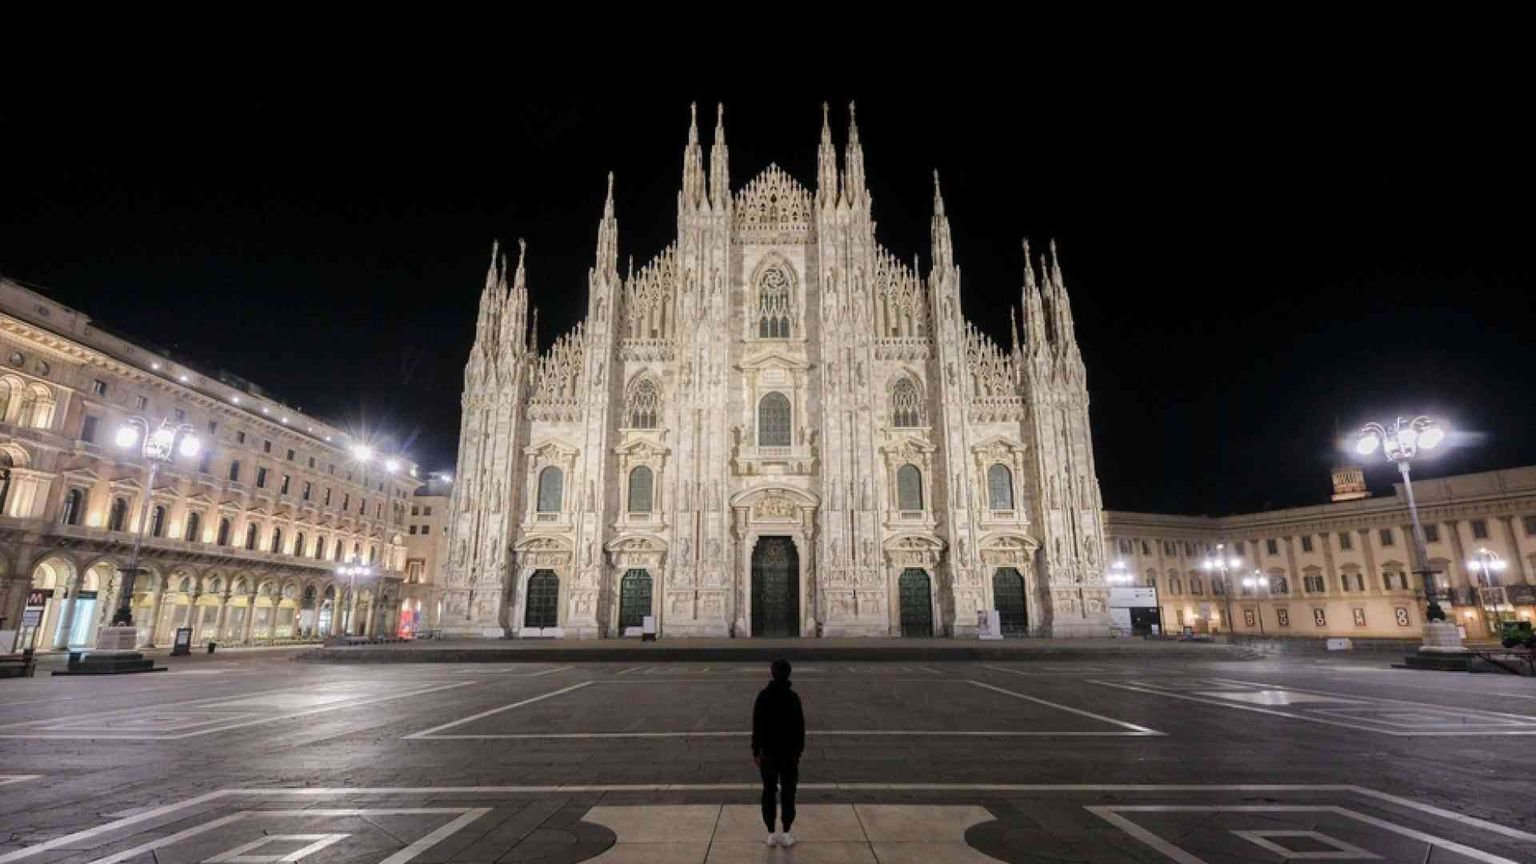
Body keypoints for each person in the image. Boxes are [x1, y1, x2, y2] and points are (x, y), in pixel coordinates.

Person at [752, 658, 805, 847]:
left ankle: (771, 833)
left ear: (772, 673)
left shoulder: (763, 696)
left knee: (768, 792)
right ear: (788, 673)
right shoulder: (793, 697)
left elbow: (756, 725)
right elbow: (800, 728)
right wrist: (798, 751)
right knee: (788, 793)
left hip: (768, 752)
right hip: (789, 754)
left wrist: (755, 751)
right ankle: (787, 831)